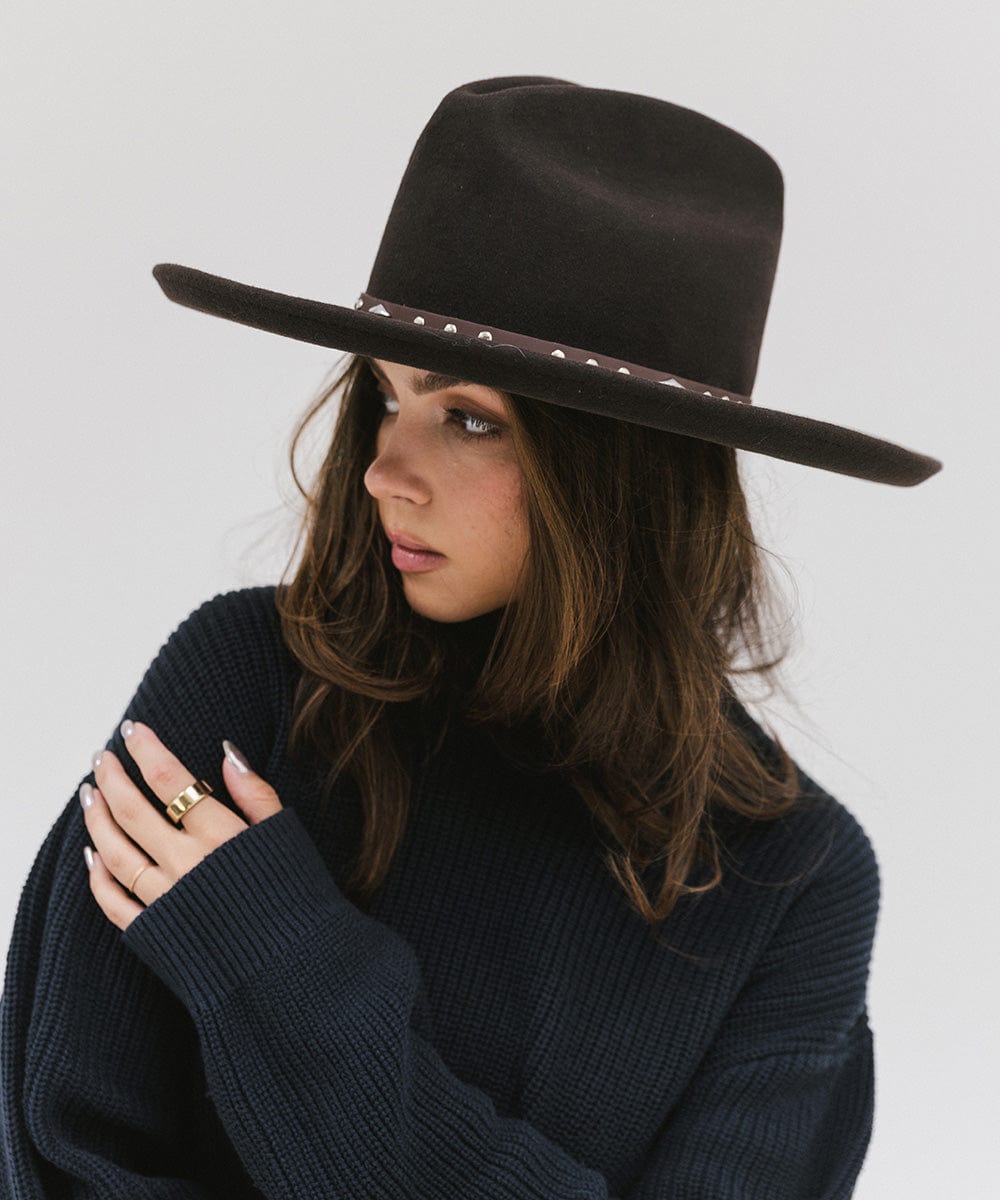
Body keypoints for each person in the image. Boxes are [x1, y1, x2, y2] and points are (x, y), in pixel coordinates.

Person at [0, 75, 942, 1200]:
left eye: (468, 418)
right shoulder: (245, 688)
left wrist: (278, 964)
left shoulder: (791, 879)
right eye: (385, 397)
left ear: (626, 474)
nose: (383, 472)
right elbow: (57, 1158)